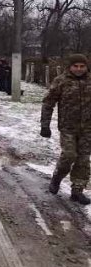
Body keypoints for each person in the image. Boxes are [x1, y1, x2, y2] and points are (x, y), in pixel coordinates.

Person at [40, 53, 91, 205]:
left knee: (83, 160)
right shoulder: (61, 81)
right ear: (69, 67)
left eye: (82, 66)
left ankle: (77, 191)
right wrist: (45, 125)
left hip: (88, 128)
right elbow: (48, 103)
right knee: (69, 155)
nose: (79, 69)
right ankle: (56, 178)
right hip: (68, 127)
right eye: (75, 66)